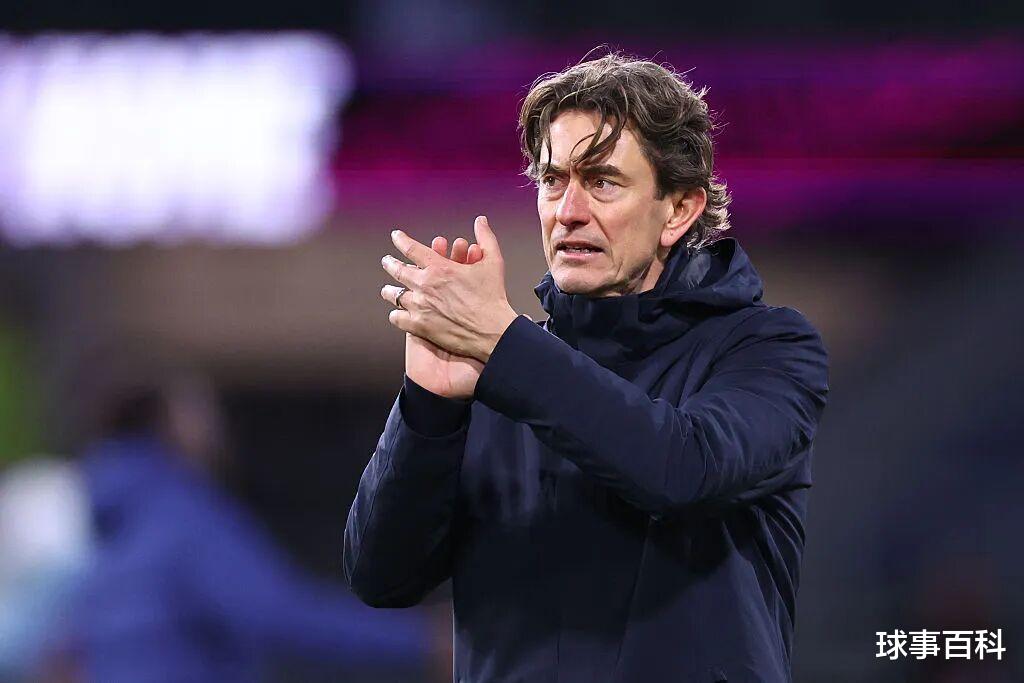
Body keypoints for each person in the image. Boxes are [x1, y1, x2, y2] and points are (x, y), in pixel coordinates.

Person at [345, 52, 830, 682]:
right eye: (553, 180)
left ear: (678, 210)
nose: (568, 210)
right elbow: (382, 578)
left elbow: (683, 468)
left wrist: (503, 345)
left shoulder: (767, 347)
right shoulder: (499, 367)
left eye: (602, 182)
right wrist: (428, 405)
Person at [62, 348, 438, 682]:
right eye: (200, 408)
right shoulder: (183, 516)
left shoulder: (113, 521)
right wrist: (422, 640)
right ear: (166, 417)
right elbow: (279, 617)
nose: (216, 425)